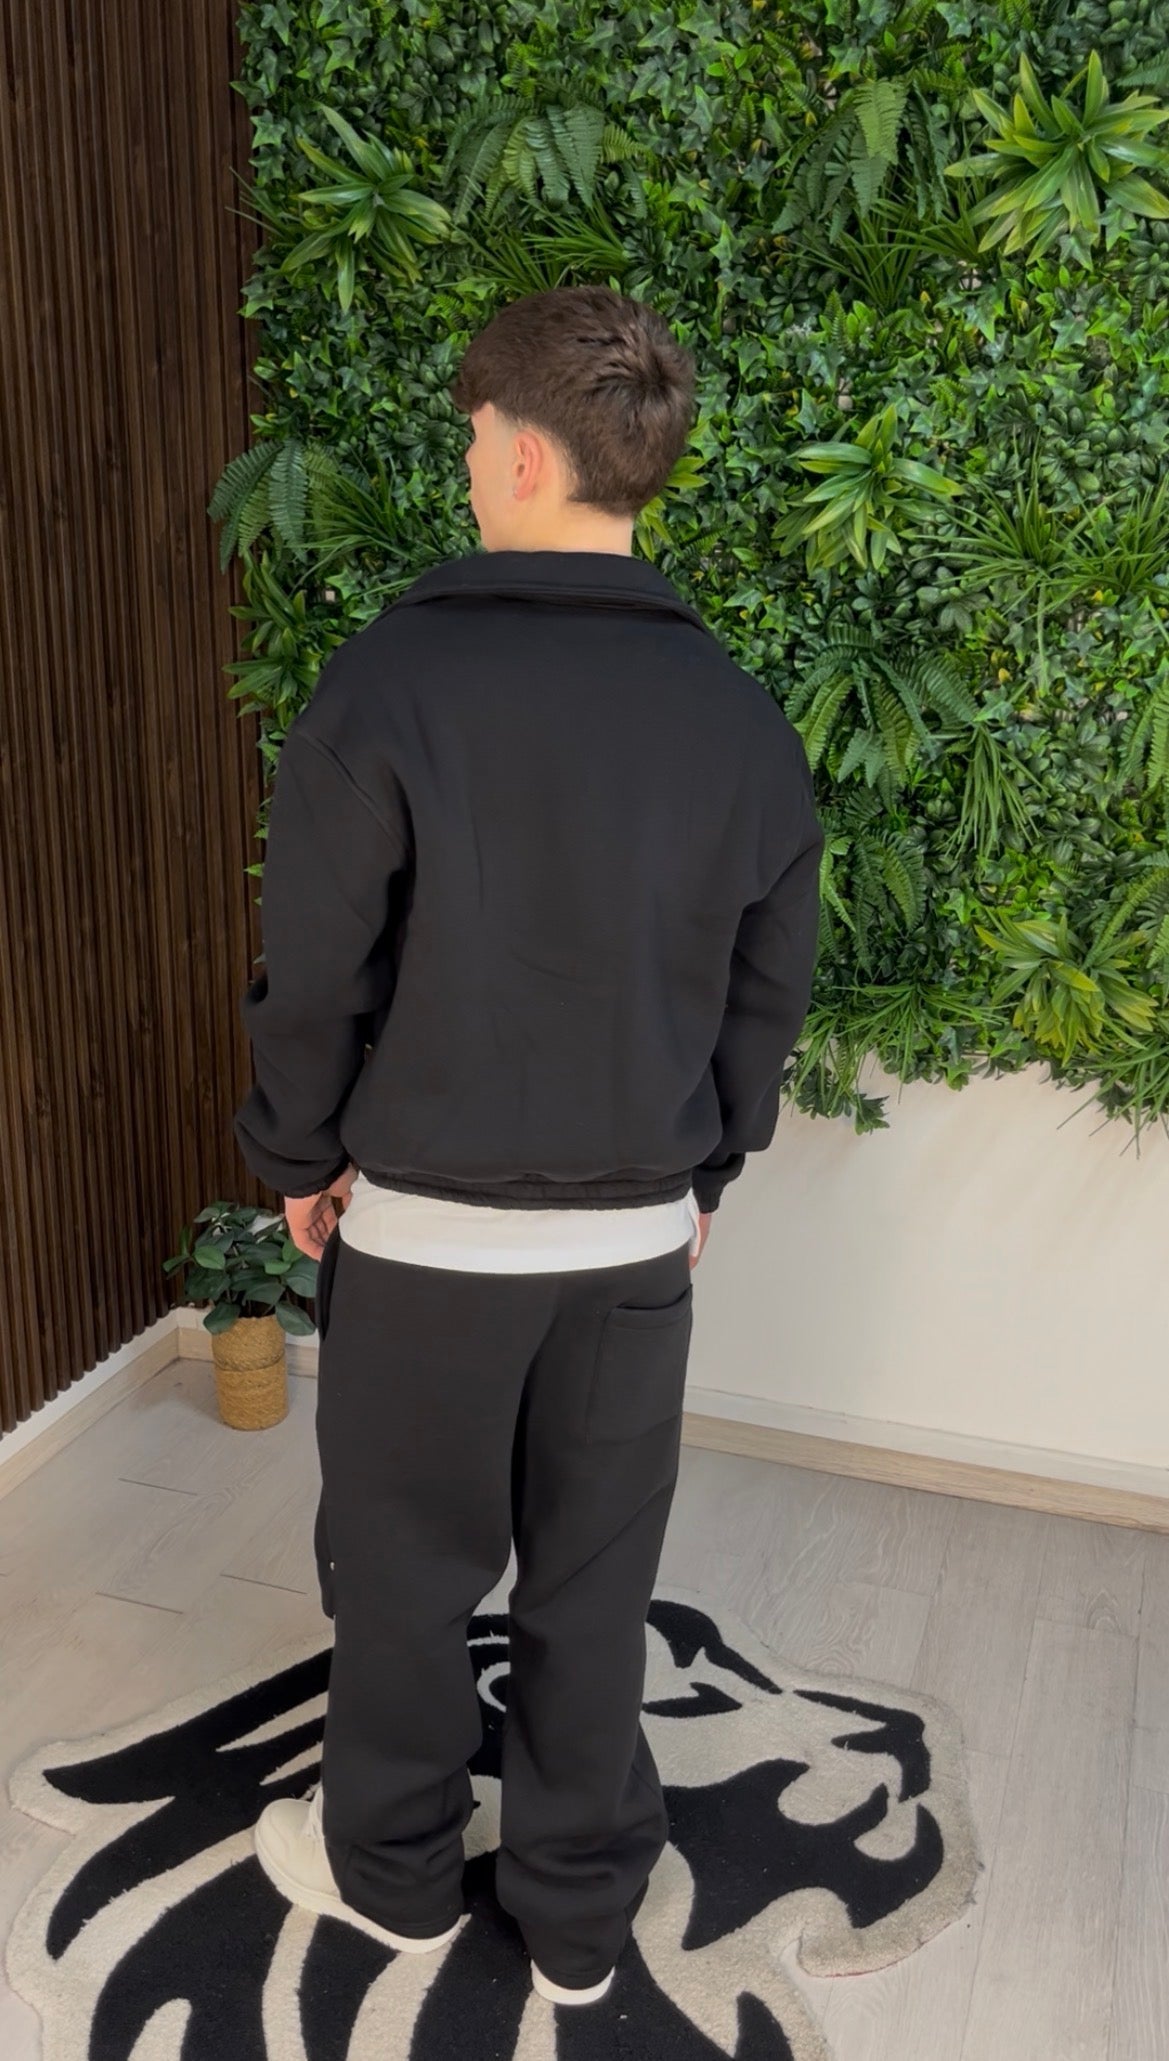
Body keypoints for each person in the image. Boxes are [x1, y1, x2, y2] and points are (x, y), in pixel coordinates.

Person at [232, 283, 823, 2006]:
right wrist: (705, 1171)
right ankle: (575, 1919)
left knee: (405, 1575)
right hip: (632, 1241)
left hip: (424, 1236)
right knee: (592, 1579)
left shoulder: (387, 683)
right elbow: (765, 985)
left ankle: (395, 1879)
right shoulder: (736, 715)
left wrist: (297, 1153)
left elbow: (314, 968)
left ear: (510, 455)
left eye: (471, 436)